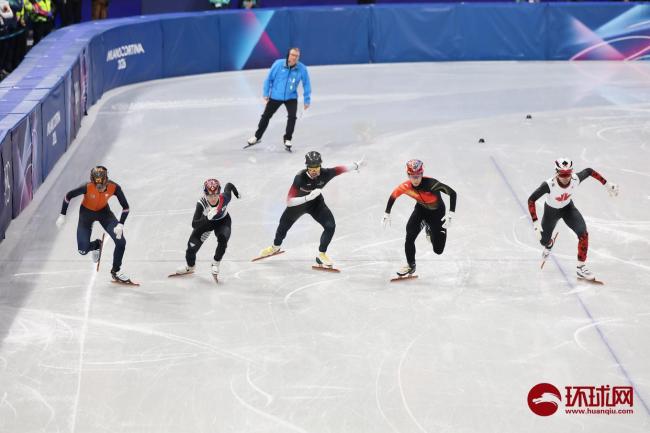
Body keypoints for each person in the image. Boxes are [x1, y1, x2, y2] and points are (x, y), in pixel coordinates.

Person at [258, 151, 364, 268]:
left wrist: (356, 166)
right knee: (283, 224)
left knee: (330, 226)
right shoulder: (300, 177)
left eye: (316, 168)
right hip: (297, 205)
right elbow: (289, 201)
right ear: (307, 167)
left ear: (320, 166)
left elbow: (339, 170)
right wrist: (307, 198)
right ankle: (275, 247)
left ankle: (321, 255)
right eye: (311, 168)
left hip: (316, 204)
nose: (314, 171)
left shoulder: (325, 174)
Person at [527, 158, 618, 281]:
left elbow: (589, 171)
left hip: (568, 209)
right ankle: (549, 244)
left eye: (568, 174)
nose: (565, 178)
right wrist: (535, 221)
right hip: (551, 212)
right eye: (562, 174)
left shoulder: (575, 179)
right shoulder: (548, 185)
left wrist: (607, 184)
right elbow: (531, 200)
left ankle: (581, 268)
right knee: (543, 241)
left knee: (583, 234)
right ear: (556, 173)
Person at [56, 166, 131, 283]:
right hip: (86, 215)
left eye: (102, 186)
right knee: (82, 250)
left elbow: (125, 207)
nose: (100, 189)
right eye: (97, 186)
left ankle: (115, 271)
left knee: (121, 242)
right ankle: (96, 245)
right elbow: (68, 196)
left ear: (106, 180)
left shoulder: (114, 187)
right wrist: (62, 215)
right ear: (92, 182)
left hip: (104, 213)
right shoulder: (86, 187)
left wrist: (121, 224)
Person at [382, 159, 457, 277]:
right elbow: (393, 196)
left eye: (418, 176)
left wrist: (451, 213)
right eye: (412, 176)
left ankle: (429, 229)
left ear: (422, 174)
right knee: (409, 235)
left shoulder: (432, 184)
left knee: (438, 250)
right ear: (408, 175)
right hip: (421, 211)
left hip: (437, 214)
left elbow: (452, 193)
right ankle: (411, 265)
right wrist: (387, 213)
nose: (416, 179)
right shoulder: (405, 186)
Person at [246, 47, 311, 151]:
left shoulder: (302, 68)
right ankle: (257, 137)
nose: (294, 57)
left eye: (297, 56)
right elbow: (268, 79)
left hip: (291, 97)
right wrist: (266, 93)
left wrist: (307, 100)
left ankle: (287, 139)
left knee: (292, 117)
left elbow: (306, 84)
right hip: (275, 96)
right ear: (288, 55)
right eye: (292, 55)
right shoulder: (278, 64)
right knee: (266, 116)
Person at [175, 178, 241, 279]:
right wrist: (206, 218)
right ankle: (190, 267)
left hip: (223, 221)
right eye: (210, 195)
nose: (213, 198)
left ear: (219, 193)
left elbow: (229, 185)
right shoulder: (201, 203)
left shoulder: (225, 197)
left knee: (223, 239)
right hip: (206, 223)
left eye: (215, 195)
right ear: (205, 195)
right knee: (191, 248)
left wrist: (236, 194)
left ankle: (215, 263)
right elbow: (194, 224)